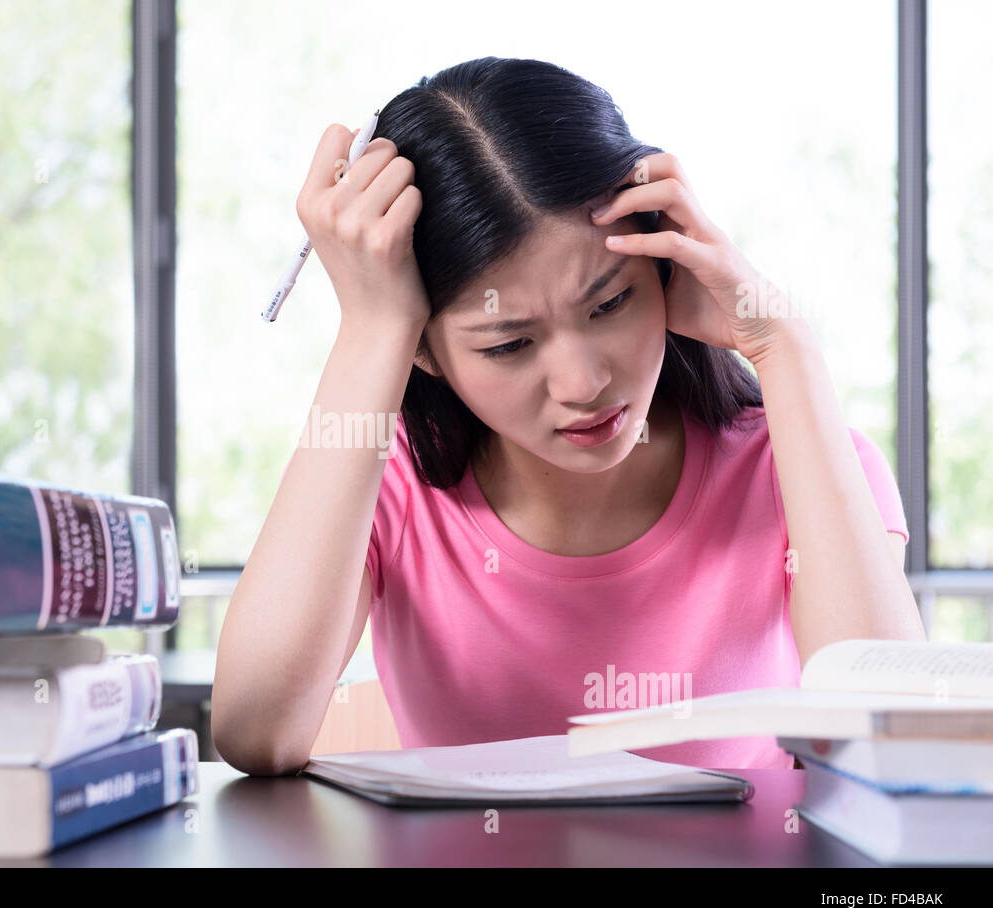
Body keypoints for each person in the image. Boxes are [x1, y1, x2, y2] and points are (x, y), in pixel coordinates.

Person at [213, 56, 922, 776]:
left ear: (665, 266)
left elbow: (889, 745)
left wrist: (784, 346)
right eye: (510, 343)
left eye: (611, 303)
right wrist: (371, 331)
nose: (584, 383)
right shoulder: (388, 482)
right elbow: (255, 729)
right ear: (423, 348)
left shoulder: (798, 465)